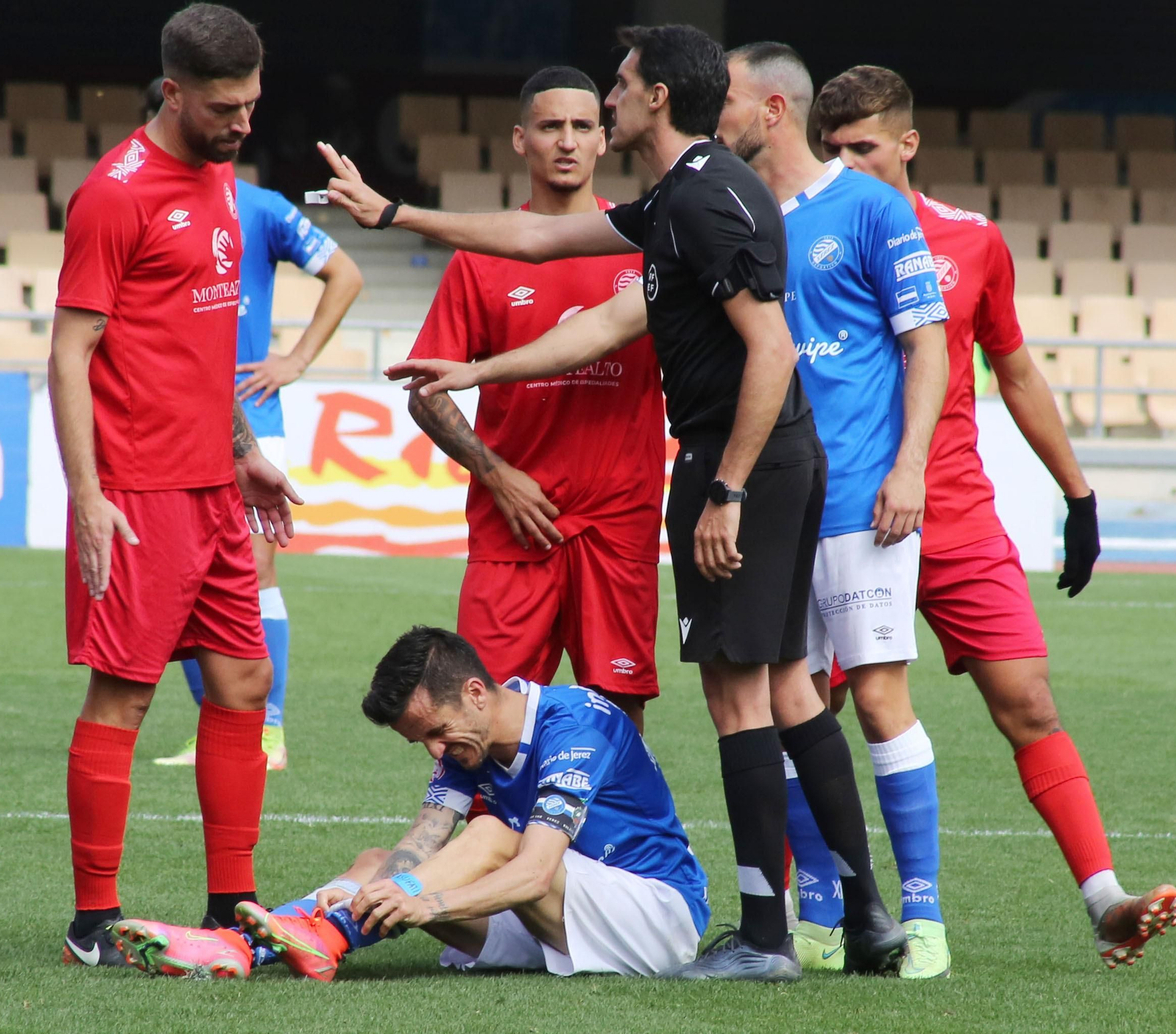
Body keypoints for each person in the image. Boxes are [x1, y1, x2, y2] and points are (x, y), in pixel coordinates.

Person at [360, 24, 906, 981]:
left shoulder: (700, 198)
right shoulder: (677, 199)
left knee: (741, 698)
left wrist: (726, 488)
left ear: (656, 97)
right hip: (768, 461)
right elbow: (559, 272)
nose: (606, 101)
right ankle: (865, 915)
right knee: (783, 688)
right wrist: (407, 230)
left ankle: (769, 939)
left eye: (617, 85)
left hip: (743, 462)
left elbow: (772, 352)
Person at [812, 64, 1176, 968]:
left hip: (956, 514)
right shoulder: (803, 236)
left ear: (908, 143)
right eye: (833, 150)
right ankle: (809, 919)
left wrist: (1079, 494)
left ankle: (1103, 901)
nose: (847, 164)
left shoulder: (972, 242)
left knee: (1029, 703)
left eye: (864, 147)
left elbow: (1014, 372)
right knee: (803, 714)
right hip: (845, 514)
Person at [48, 3, 301, 968]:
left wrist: (242, 450)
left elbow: (203, 347)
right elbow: (70, 354)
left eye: (252, 103)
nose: (243, 122)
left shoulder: (222, 175)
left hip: (212, 486)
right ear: (175, 92)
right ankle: (91, 922)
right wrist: (89, 497)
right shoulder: (116, 194)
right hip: (140, 492)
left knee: (244, 681)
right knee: (125, 699)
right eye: (225, 108)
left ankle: (232, 900)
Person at [714, 42, 952, 978]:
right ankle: (821, 912)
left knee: (881, 698)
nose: (713, 112)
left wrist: (910, 468)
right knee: (785, 705)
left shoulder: (871, 206)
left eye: (726, 98)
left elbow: (925, 345)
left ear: (773, 107)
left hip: (861, 495)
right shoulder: (737, 211)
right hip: (776, 503)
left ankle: (924, 916)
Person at [105, 626, 711, 983]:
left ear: (476, 692)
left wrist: (426, 903)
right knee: (378, 861)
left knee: (496, 836)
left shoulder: (576, 725)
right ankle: (244, 946)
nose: (434, 751)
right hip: (561, 914)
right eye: (421, 740)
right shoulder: (466, 745)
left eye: (436, 732)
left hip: (656, 919)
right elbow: (416, 848)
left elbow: (529, 870)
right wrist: (385, 890)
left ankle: (323, 941)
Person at [404, 65, 664, 733]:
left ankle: (597, 842)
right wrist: (497, 475)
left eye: (583, 127)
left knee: (618, 709)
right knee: (482, 711)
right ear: (521, 140)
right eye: (551, 127)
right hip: (513, 524)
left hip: (617, 521)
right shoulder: (482, 259)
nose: (568, 141)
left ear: (605, 141)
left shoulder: (645, 246)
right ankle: (494, 839)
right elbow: (426, 390)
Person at [142, 85, 365, 772]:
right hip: (171, 417)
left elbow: (345, 273)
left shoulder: (260, 208)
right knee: (182, 575)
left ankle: (267, 730)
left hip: (249, 417)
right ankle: (219, 727)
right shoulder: (147, 204)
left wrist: (295, 358)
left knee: (253, 562)